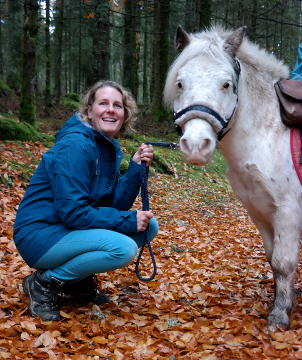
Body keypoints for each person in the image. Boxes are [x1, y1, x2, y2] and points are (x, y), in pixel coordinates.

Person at [13, 80, 159, 321]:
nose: (111, 109)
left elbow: (111, 207)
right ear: (89, 111)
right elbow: (73, 212)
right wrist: (128, 219)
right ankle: (43, 283)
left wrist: (134, 169)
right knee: (123, 248)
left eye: (118, 105)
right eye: (103, 103)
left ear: (125, 114)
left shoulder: (105, 147)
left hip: (65, 229)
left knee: (148, 227)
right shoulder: (76, 144)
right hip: (39, 234)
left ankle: (75, 281)